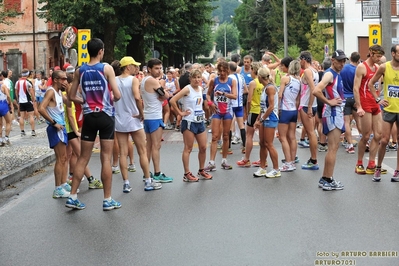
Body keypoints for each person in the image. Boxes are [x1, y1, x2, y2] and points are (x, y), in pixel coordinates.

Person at [67, 38, 122, 210]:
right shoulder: (107, 68)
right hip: (105, 116)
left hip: (89, 116)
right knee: (105, 157)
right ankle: (107, 200)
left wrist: (84, 101)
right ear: (101, 51)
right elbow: (118, 95)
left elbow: (71, 96)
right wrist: (109, 98)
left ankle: (73, 196)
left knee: (83, 157)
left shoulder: (80, 71)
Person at [114, 56, 162, 191]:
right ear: (128, 67)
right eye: (134, 66)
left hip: (119, 119)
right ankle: (147, 180)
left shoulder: (115, 80)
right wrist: (141, 113)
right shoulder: (134, 80)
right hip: (133, 118)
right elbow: (136, 96)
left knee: (123, 153)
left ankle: (126, 183)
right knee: (142, 151)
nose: (137, 68)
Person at [313, 50, 347, 191]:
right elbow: (316, 90)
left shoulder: (336, 74)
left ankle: (327, 178)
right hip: (333, 113)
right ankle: (327, 179)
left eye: (344, 61)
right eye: (339, 61)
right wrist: (329, 102)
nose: (342, 63)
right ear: (333, 60)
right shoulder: (329, 74)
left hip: (335, 112)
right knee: (333, 147)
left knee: (334, 147)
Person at [170, 69, 212, 181]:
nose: (197, 80)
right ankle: (186, 173)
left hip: (199, 121)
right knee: (188, 148)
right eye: (194, 77)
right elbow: (172, 100)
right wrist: (180, 113)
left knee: (203, 147)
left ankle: (201, 170)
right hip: (189, 121)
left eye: (199, 77)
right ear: (190, 79)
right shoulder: (187, 89)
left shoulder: (200, 89)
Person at [64, 66, 103, 189]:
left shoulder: (65, 95)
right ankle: (90, 179)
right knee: (80, 155)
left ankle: (67, 178)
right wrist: (76, 130)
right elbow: (70, 114)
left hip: (70, 126)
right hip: (71, 127)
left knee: (69, 155)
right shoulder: (67, 97)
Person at [353, 44, 386, 175]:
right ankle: (359, 162)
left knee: (378, 135)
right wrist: (359, 106)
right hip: (365, 103)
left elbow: (378, 86)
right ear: (371, 54)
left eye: (381, 56)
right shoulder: (362, 67)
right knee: (366, 135)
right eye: (378, 56)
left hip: (375, 104)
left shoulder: (378, 67)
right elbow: (356, 88)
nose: (379, 58)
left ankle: (372, 163)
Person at [38, 70, 71, 198]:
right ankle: (57, 188)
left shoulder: (58, 92)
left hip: (61, 128)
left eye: (66, 79)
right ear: (56, 79)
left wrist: (68, 89)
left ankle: (63, 184)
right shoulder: (51, 91)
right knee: (60, 158)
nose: (65, 81)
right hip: (55, 129)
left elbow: (69, 102)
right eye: (63, 79)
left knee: (64, 158)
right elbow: (41, 108)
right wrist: (53, 123)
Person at [368, 44, 399, 182]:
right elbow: (371, 83)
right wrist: (378, 99)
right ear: (393, 53)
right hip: (388, 108)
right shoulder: (384, 67)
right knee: (385, 140)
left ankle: (397, 170)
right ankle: (378, 167)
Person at [140, 58, 174, 184]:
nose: (159, 71)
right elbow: (166, 96)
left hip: (148, 116)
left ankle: (147, 173)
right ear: (149, 69)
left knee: (149, 146)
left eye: (160, 68)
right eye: (156, 68)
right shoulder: (152, 81)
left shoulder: (143, 80)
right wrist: (163, 93)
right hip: (154, 116)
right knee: (156, 146)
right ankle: (157, 173)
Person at [205, 61, 237, 171]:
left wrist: (223, 94)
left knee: (226, 136)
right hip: (217, 112)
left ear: (228, 70)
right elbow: (208, 94)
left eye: (224, 71)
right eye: (220, 71)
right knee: (214, 137)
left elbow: (234, 96)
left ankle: (224, 160)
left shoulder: (232, 81)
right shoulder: (214, 80)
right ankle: (211, 162)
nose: (222, 73)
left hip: (228, 112)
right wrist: (210, 103)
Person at [253, 67, 280, 178]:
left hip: (271, 118)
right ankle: (262, 167)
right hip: (265, 117)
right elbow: (263, 107)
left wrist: (262, 119)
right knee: (262, 143)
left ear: (260, 77)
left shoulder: (270, 88)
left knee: (269, 144)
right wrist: (258, 119)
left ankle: (276, 169)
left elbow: (271, 106)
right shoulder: (265, 88)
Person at [236, 62, 263, 168]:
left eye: (251, 70)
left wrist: (247, 112)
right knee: (262, 138)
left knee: (249, 136)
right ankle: (262, 159)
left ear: (254, 70)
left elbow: (249, 99)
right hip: (263, 112)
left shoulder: (253, 82)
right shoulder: (265, 82)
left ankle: (246, 159)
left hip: (254, 110)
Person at [277, 60, 301, 172]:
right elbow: (298, 99)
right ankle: (292, 161)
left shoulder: (285, 79)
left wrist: (278, 109)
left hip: (285, 110)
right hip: (293, 110)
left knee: (283, 137)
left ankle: (288, 162)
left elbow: (280, 95)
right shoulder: (299, 81)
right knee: (292, 137)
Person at [298, 51, 319, 170]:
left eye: (300, 60)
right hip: (311, 104)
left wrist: (310, 106)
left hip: (307, 105)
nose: (299, 63)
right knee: (311, 133)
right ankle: (313, 159)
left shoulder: (307, 71)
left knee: (310, 133)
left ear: (303, 59)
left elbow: (313, 89)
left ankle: (314, 160)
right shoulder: (315, 70)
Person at [341, 52, 361, 154]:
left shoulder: (343, 68)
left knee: (347, 122)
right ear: (358, 59)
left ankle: (350, 145)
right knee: (358, 120)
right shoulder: (357, 70)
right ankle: (364, 141)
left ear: (350, 58)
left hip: (344, 97)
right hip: (354, 96)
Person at [15, 68, 36, 137]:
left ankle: (22, 131)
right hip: (28, 100)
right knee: (31, 116)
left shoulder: (17, 82)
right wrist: (33, 99)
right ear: (27, 74)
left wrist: (18, 99)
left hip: (21, 101)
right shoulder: (28, 82)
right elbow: (31, 92)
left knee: (21, 117)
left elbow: (16, 91)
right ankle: (33, 131)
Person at [0, 73, 12, 146]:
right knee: (8, 121)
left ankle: (0, 139)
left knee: (0, 124)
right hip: (3, 104)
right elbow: (8, 96)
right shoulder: (3, 85)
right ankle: (6, 138)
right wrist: (10, 104)